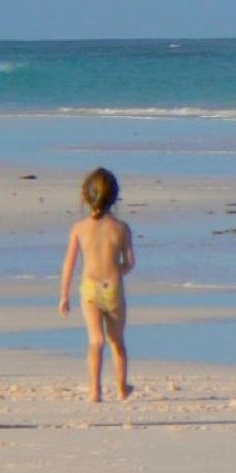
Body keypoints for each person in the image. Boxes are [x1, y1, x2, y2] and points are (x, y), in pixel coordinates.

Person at [58, 167, 136, 402]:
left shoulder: (80, 228)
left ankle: (95, 391)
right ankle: (122, 389)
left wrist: (64, 295)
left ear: (86, 196)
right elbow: (130, 262)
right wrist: (117, 271)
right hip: (112, 287)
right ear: (114, 197)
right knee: (117, 341)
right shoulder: (121, 228)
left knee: (96, 340)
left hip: (89, 289)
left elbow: (69, 265)